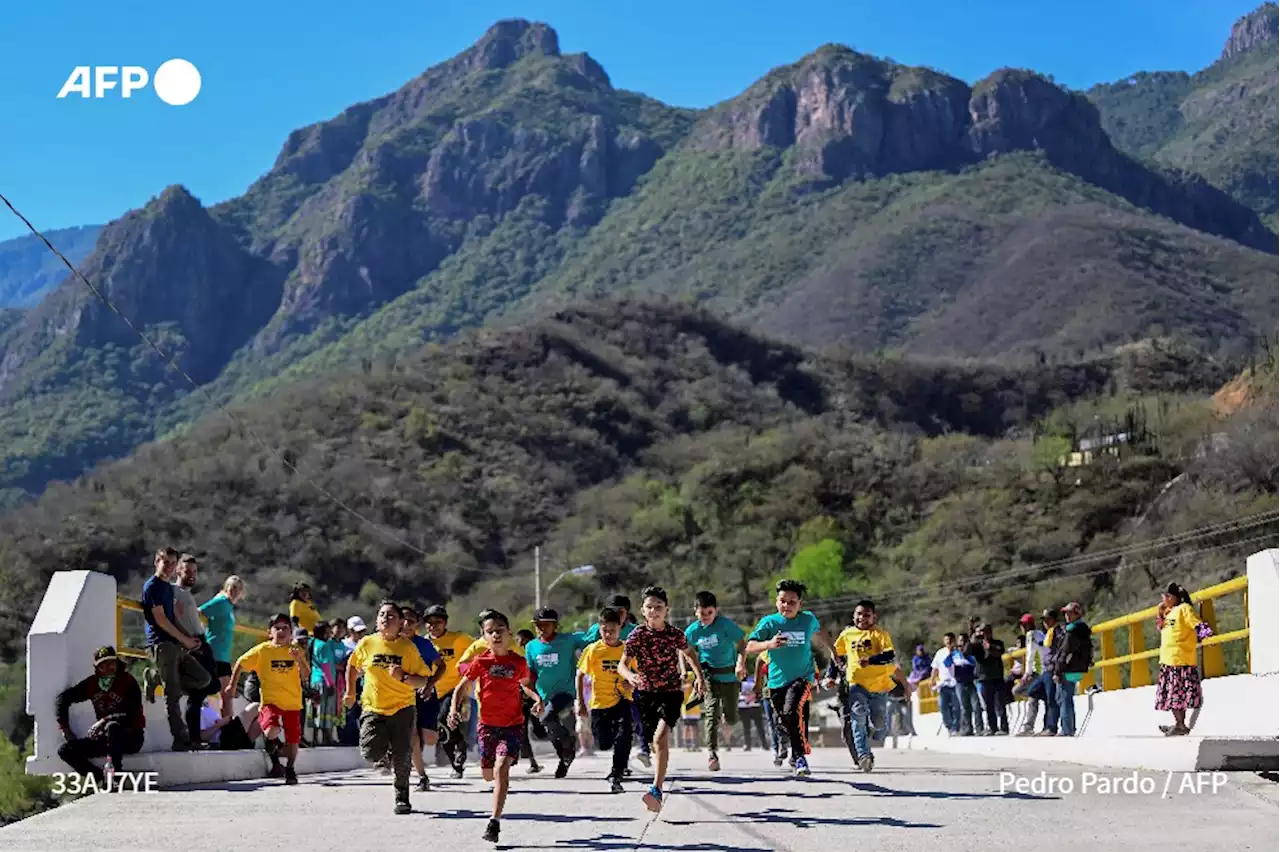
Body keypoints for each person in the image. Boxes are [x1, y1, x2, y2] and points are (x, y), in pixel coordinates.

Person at [451, 609, 543, 845]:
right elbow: (461, 686)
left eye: (500, 630)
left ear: (509, 632)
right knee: (488, 774)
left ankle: (494, 821)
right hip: (487, 726)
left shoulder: (518, 662)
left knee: (502, 768)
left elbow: (525, 686)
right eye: (490, 632)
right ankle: (496, 792)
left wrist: (537, 699)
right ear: (484, 637)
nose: (496, 635)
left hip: (512, 725)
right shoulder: (481, 661)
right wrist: (453, 710)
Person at [618, 586, 705, 813]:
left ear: (666, 610)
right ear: (643, 611)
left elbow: (691, 655)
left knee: (659, 738)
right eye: (649, 607)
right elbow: (622, 665)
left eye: (659, 607)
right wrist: (630, 676)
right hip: (645, 694)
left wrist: (699, 677)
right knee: (652, 741)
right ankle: (657, 781)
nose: (654, 611)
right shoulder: (637, 635)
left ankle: (656, 788)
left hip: (671, 692)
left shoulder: (675, 634)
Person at [345, 600, 436, 814]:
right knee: (369, 753)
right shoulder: (367, 643)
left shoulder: (408, 647)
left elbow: (423, 680)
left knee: (402, 756)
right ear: (376, 621)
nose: (386, 618)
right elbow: (352, 665)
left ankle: (402, 797)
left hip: (402, 708)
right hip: (373, 707)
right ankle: (385, 753)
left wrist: (403, 676)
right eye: (382, 615)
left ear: (401, 622)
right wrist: (350, 691)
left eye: (392, 615)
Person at [745, 579, 833, 777]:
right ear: (777, 602)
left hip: (802, 676)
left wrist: (834, 652)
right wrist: (769, 644)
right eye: (783, 601)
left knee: (792, 711)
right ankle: (786, 738)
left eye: (792, 602)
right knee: (784, 719)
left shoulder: (808, 620)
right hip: (776, 681)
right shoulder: (769, 623)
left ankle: (800, 757)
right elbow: (749, 646)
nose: (787, 606)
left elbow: (822, 635)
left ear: (800, 604)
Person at [223, 613, 310, 783]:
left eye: (285, 628)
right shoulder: (263, 650)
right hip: (271, 702)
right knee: (271, 731)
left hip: (292, 703)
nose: (281, 631)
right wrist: (232, 685)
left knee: (293, 742)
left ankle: (290, 768)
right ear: (270, 632)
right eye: (277, 628)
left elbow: (306, 675)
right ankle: (276, 751)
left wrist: (299, 659)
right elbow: (241, 663)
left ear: (291, 632)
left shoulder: (296, 651)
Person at [140, 547, 211, 751]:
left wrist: (189, 639)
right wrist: (185, 641)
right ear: (157, 562)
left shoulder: (168, 588)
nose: (169, 567)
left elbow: (172, 618)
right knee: (172, 694)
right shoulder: (152, 586)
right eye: (166, 562)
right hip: (161, 644)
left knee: (203, 679)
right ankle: (181, 739)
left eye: (173, 563)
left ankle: (155, 677)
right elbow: (161, 620)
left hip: (176, 643)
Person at [55, 646, 145, 786]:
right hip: (106, 739)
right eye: (103, 664)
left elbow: (132, 713)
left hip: (131, 737)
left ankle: (116, 776)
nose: (109, 667)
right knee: (65, 750)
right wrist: (65, 729)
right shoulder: (92, 684)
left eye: (112, 663)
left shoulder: (128, 682)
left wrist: (105, 720)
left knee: (113, 726)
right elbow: (63, 699)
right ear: (97, 668)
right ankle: (101, 778)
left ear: (117, 663)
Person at [825, 600, 895, 772]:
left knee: (878, 722)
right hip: (856, 684)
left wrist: (871, 660)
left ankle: (876, 731)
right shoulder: (847, 634)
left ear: (873, 617)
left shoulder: (880, 634)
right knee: (857, 718)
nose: (862, 618)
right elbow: (837, 656)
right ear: (853, 615)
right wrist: (830, 676)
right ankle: (863, 755)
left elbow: (889, 655)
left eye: (866, 615)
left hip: (878, 685)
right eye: (859, 614)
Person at [581, 594, 649, 768]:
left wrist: (634, 680)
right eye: (613, 611)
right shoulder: (597, 638)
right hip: (601, 697)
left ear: (626, 614)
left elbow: (643, 662)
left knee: (630, 725)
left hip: (628, 690)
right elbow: (584, 648)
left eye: (621, 612)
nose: (609, 633)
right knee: (605, 742)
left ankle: (641, 750)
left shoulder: (636, 631)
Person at [684, 591, 746, 772]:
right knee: (711, 714)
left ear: (716, 611)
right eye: (701, 613)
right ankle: (712, 753)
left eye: (709, 613)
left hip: (730, 676)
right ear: (695, 611)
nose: (705, 617)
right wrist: (686, 671)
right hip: (709, 676)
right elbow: (684, 649)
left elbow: (743, 643)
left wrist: (741, 663)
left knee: (732, 719)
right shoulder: (693, 630)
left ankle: (727, 714)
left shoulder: (725, 625)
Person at [525, 606, 590, 778]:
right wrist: (531, 694)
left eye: (546, 624)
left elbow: (593, 637)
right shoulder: (531, 646)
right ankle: (564, 758)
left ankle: (569, 743)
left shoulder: (568, 640)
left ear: (555, 625)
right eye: (538, 625)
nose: (541, 628)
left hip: (565, 691)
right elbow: (530, 672)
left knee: (548, 718)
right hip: (543, 695)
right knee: (549, 730)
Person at [576, 607, 633, 792]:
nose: (608, 634)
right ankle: (617, 765)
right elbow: (579, 676)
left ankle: (618, 771)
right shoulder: (593, 650)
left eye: (612, 630)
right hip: (599, 703)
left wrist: (632, 684)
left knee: (624, 734)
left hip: (623, 699)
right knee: (604, 743)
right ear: (599, 629)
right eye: (604, 630)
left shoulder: (627, 650)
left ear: (620, 629)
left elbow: (639, 674)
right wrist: (582, 704)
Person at [172, 555, 221, 746]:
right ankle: (193, 737)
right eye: (187, 571)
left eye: (194, 571)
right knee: (200, 690)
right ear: (178, 571)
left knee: (212, 686)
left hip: (201, 640)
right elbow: (175, 618)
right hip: (193, 643)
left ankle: (194, 736)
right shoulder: (175, 592)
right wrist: (187, 641)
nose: (191, 575)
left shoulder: (185, 593)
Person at [423, 604, 474, 778]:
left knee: (444, 718)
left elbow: (479, 650)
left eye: (437, 622)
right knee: (441, 730)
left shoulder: (460, 638)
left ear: (445, 623)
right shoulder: (423, 643)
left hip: (456, 690)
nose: (433, 626)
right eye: (429, 622)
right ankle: (457, 761)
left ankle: (460, 749)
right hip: (432, 692)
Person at [399, 605, 442, 790]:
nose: (407, 624)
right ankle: (422, 776)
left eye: (412, 621)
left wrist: (430, 684)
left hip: (425, 693)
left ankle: (436, 731)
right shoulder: (391, 643)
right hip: (401, 695)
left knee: (429, 737)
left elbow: (441, 666)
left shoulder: (423, 644)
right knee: (413, 736)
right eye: (404, 620)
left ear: (417, 624)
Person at [1156, 582, 1208, 736]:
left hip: (1180, 659)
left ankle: (1180, 725)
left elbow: (1196, 623)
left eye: (1166, 596)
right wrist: (1160, 612)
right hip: (1168, 660)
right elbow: (1159, 627)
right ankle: (1179, 723)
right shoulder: (1169, 613)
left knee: (1176, 695)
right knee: (1173, 696)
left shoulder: (1184, 609)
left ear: (1173, 597)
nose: (1163, 599)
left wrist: (1207, 635)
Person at [199, 575, 245, 703]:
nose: (235, 591)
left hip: (223, 656)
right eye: (233, 587)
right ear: (227, 587)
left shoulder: (229, 606)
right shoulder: (221, 601)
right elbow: (199, 612)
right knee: (204, 691)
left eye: (239, 589)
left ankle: (225, 722)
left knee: (226, 695)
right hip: (214, 652)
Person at [1052, 602, 1093, 737]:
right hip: (1078, 668)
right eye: (1065, 613)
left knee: (1064, 697)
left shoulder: (1072, 631)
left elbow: (1065, 652)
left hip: (1068, 669)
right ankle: (1069, 727)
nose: (1066, 616)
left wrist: (1058, 670)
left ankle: (1067, 729)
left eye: (1069, 613)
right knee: (1065, 696)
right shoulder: (1083, 630)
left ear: (1077, 614)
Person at [968, 623, 1008, 735]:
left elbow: (999, 651)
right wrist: (972, 635)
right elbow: (967, 650)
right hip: (984, 678)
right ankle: (992, 727)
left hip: (997, 677)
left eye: (984, 632)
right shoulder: (977, 646)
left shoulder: (997, 643)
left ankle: (1004, 727)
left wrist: (989, 646)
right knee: (988, 705)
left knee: (1000, 704)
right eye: (980, 632)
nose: (982, 634)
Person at [307, 621, 342, 746]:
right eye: (327, 632)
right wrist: (331, 684)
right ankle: (327, 739)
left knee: (315, 711)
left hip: (314, 681)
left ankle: (315, 739)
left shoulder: (312, 643)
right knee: (325, 712)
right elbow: (326, 666)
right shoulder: (325, 645)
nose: (329, 634)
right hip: (325, 682)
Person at [1013, 614, 1049, 736]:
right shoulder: (1040, 633)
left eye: (1022, 625)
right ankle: (1029, 726)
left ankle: (1028, 726)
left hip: (1037, 671)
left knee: (1017, 691)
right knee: (1032, 698)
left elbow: (1030, 655)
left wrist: (1026, 673)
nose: (1021, 628)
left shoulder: (1030, 635)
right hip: (1044, 670)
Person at [514, 629, 544, 774]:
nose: (522, 647)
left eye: (525, 644)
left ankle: (565, 745)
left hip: (536, 698)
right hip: (519, 700)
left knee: (540, 731)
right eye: (520, 644)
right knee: (522, 731)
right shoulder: (515, 658)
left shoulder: (536, 657)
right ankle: (533, 762)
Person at [737, 672, 766, 752]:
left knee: (760, 726)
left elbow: (757, 691)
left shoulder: (753, 680)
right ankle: (747, 744)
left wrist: (751, 697)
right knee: (746, 727)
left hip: (755, 706)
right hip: (744, 707)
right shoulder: (738, 683)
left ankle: (764, 744)